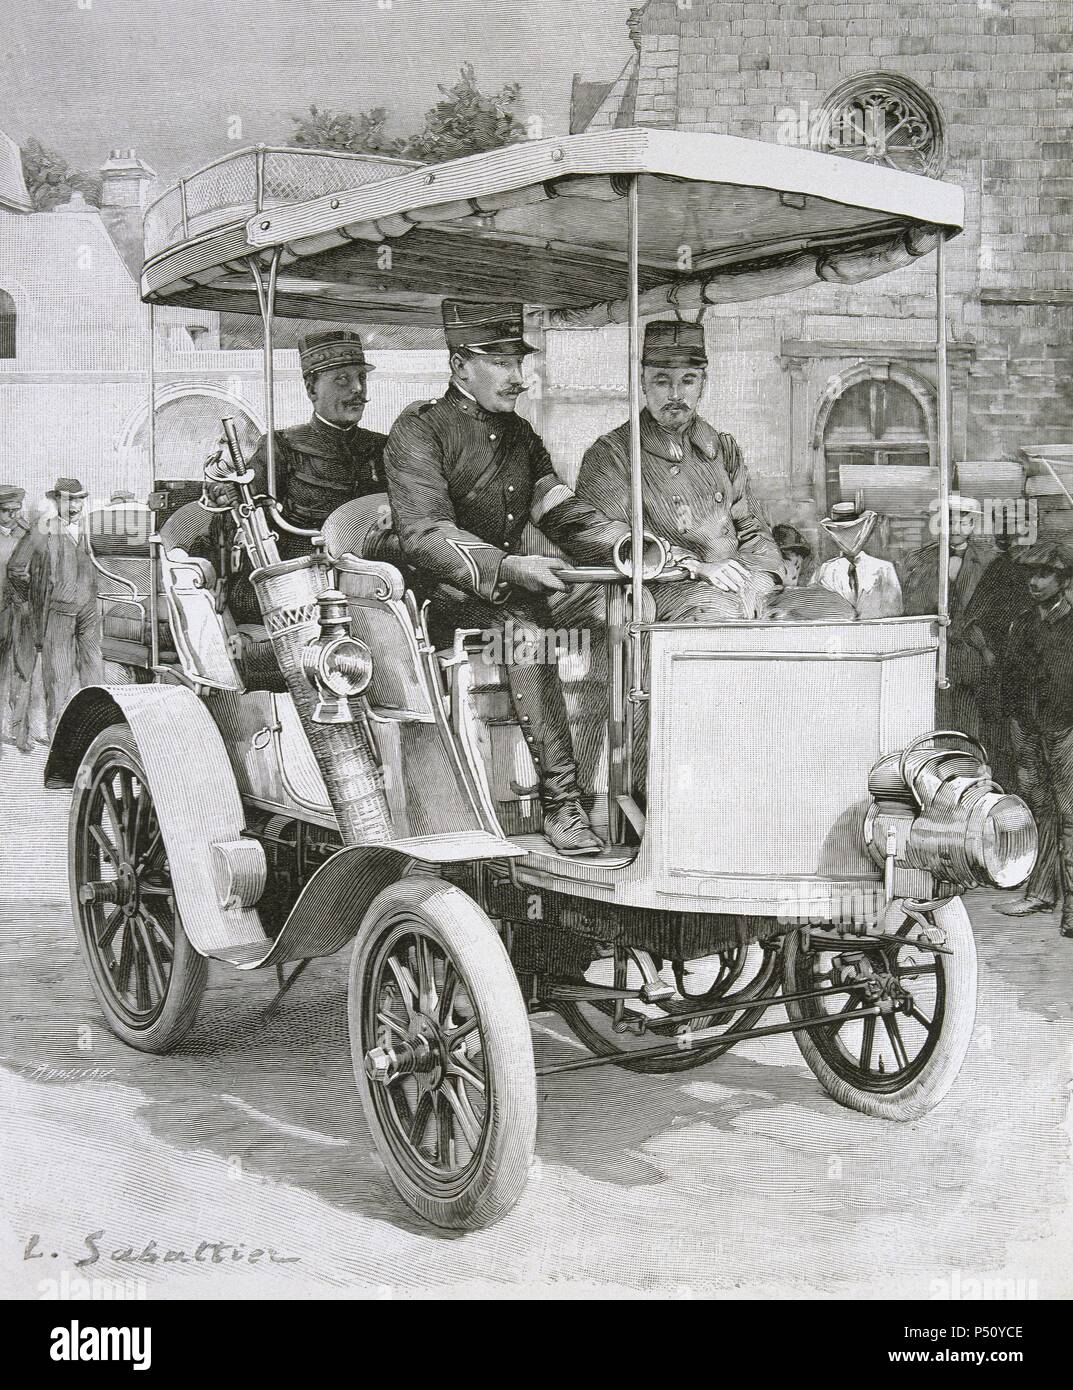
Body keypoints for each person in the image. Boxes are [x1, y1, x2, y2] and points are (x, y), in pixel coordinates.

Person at [384, 299, 627, 856]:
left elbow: (557, 506)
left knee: (620, 608)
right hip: (443, 602)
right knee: (526, 635)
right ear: (459, 366)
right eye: (501, 362)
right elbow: (424, 534)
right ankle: (563, 804)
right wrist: (510, 566)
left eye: (519, 362)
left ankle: (627, 783)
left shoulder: (519, 435)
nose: (519, 378)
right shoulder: (419, 430)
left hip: (517, 590)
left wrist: (624, 546)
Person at [574, 320, 783, 621]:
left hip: (736, 584)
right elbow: (605, 538)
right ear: (642, 383)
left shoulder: (723, 448)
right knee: (718, 616)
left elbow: (750, 527)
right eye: (662, 381)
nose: (675, 394)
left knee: (811, 611)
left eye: (687, 380)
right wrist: (693, 565)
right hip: (661, 589)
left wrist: (758, 579)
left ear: (703, 384)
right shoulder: (613, 453)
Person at [204, 328, 387, 624]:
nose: (358, 390)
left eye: (361, 378)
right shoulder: (282, 446)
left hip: (375, 581)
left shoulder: (382, 447)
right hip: (305, 592)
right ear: (311, 389)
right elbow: (240, 516)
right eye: (343, 380)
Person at [997, 541, 1073, 937]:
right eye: (1030, 575)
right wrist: (1017, 719)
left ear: (1062, 581)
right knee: (1037, 809)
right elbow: (1010, 677)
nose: (1035, 582)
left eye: (1044, 575)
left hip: (1065, 727)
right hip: (1027, 726)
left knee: (1070, 815)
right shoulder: (1022, 623)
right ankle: (1042, 892)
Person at [6, 476, 104, 735]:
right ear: (56, 501)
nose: (74, 506)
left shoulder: (87, 528)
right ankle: (58, 733)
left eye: (79, 500)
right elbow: (16, 569)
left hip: (89, 611)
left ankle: (95, 726)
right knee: (58, 675)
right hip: (58, 610)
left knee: (93, 667)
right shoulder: (41, 529)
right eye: (68, 500)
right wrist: (36, 597)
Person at [901, 495, 993, 738]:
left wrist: (977, 640)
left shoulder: (988, 561)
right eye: (950, 522)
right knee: (935, 722)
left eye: (964, 522)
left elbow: (991, 609)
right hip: (934, 653)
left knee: (969, 725)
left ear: (973, 525)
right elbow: (912, 606)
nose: (956, 529)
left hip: (971, 655)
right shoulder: (921, 560)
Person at [815, 501, 903, 619]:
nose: (847, 539)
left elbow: (895, 612)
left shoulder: (884, 569)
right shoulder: (826, 570)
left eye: (853, 532)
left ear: (863, 532)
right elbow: (815, 609)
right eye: (840, 532)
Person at [0, 484, 30, 751]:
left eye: (16, 509)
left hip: (20, 612)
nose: (13, 515)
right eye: (7, 511)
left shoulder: (27, 534)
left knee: (22, 670)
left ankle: (19, 733)